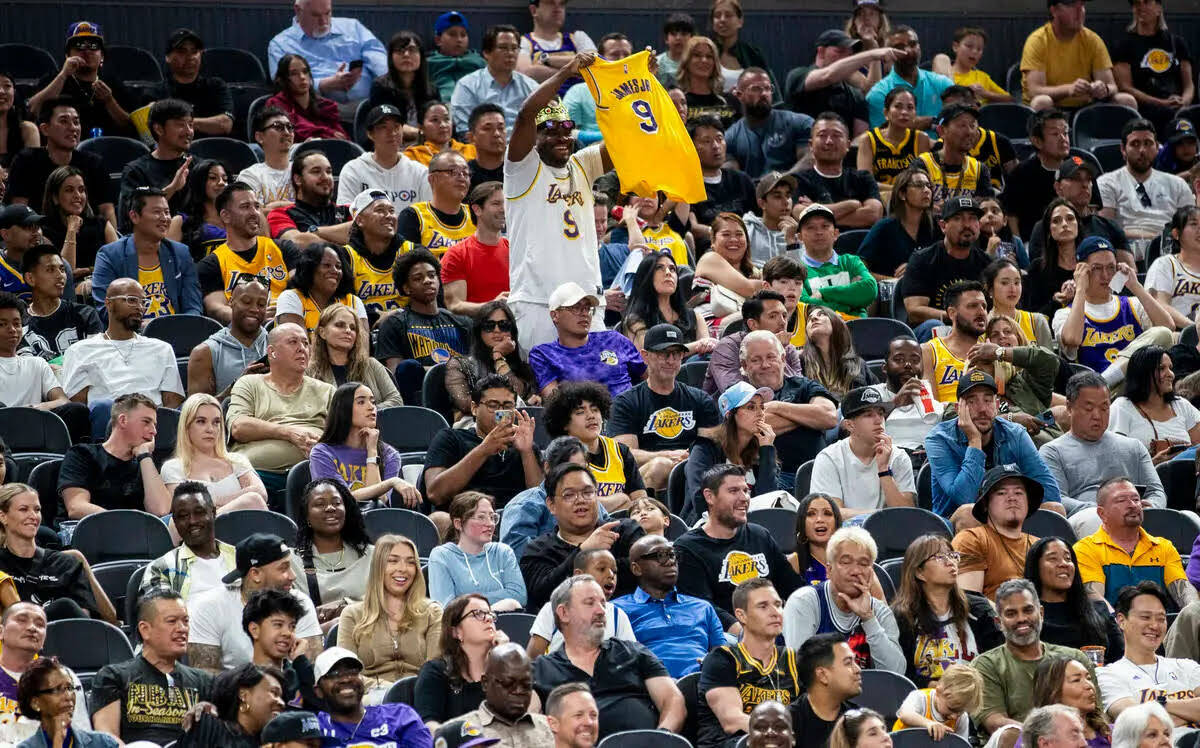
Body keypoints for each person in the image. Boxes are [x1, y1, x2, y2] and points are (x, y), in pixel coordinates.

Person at [505, 52, 616, 352]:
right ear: (535, 136)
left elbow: (622, 141)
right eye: (549, 129)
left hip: (587, 301)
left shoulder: (582, 165)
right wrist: (567, 71)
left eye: (566, 128)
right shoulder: (521, 169)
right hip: (538, 301)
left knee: (594, 387)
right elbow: (526, 115)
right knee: (544, 391)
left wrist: (636, 88)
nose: (560, 136)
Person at [531, 574, 684, 740]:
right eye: (590, 603)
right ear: (564, 613)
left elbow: (673, 701)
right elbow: (527, 722)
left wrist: (660, 739)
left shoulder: (633, 652)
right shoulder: (541, 670)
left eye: (603, 603)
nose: (601, 611)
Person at [674, 460, 801, 630]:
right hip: (727, 638)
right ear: (709, 496)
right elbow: (704, 608)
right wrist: (748, 635)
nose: (744, 498)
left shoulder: (759, 535)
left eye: (746, 490)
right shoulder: (688, 547)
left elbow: (792, 586)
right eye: (734, 491)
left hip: (774, 625)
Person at [925, 369, 1062, 525]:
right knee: (969, 513)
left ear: (997, 405)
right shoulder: (939, 439)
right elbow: (965, 497)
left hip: (1007, 517)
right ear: (958, 409)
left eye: (988, 400)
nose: (982, 409)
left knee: (1054, 509)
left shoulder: (1015, 434)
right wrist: (974, 441)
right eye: (972, 401)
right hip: (954, 521)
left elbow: (1050, 492)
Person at [971, 578, 1100, 739]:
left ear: (1041, 613)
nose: (1021, 619)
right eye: (1011, 613)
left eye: (1028, 610)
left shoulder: (1074, 658)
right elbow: (995, 723)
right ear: (998, 622)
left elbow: (1097, 717)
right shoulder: (986, 665)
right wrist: (1051, 739)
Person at [1039, 373, 1166, 536]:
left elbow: (1156, 491)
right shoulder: (1052, 452)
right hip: (1087, 518)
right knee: (1095, 519)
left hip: (1135, 516)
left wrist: (1152, 506)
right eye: (1089, 408)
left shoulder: (1133, 447)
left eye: (1104, 408)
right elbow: (1057, 499)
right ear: (1069, 408)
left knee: (1188, 518)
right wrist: (1106, 511)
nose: (1097, 416)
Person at [90, 589, 213, 745]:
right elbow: (106, 738)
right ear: (145, 630)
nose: (182, 628)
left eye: (186, 621)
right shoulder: (113, 677)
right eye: (172, 621)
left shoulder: (204, 682)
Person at [60, 277, 184, 432]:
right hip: (107, 426)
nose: (139, 307)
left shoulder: (162, 349)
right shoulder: (80, 350)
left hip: (154, 426)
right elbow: (78, 406)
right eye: (131, 300)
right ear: (109, 303)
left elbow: (172, 403)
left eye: (143, 302)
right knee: (102, 406)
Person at [186, 533, 323, 672]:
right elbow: (205, 675)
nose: (293, 576)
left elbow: (315, 672)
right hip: (233, 691)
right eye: (283, 568)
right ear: (255, 574)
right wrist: (257, 687)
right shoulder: (210, 607)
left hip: (291, 689)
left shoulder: (300, 602)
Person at [608, 322, 720, 489]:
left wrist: (691, 460)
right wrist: (667, 456)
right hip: (644, 476)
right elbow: (623, 454)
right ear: (645, 356)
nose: (671, 361)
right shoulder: (626, 402)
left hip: (693, 471)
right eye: (663, 354)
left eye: (676, 354)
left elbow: (713, 446)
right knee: (660, 466)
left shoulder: (700, 399)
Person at [518, 461, 644, 610]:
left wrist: (587, 570)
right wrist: (583, 551)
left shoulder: (624, 530)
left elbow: (646, 568)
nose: (580, 500)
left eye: (587, 492)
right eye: (569, 495)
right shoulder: (538, 550)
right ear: (551, 505)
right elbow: (543, 594)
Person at [782, 526, 904, 673]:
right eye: (846, 562)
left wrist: (868, 619)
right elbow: (801, 670)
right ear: (829, 570)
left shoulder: (879, 611)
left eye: (864, 564)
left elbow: (896, 673)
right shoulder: (804, 602)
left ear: (871, 573)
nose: (855, 571)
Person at [226, 322, 334, 487]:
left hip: (315, 476)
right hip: (257, 475)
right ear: (272, 352)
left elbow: (344, 437)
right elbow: (239, 427)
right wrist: (288, 433)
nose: (302, 348)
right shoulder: (249, 384)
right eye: (293, 342)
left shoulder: (327, 391)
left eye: (305, 343)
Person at [697, 578, 800, 748]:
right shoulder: (722, 659)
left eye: (778, 604)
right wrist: (782, 735)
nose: (775, 612)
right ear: (741, 615)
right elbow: (732, 720)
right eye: (763, 606)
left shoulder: (793, 660)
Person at [1056, 235, 1174, 376]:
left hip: (1135, 385)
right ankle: (1105, 383)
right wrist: (1080, 287)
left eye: (1111, 267)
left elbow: (1168, 326)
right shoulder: (1066, 313)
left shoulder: (1132, 304)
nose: (1106, 275)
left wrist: (1135, 286)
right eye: (1097, 268)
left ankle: (1107, 380)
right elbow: (1072, 339)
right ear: (1082, 271)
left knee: (1163, 333)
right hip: (1094, 391)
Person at [335, 534, 442, 689]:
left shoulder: (432, 613)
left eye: (411, 563)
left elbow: (435, 671)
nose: (403, 569)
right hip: (370, 698)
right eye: (393, 561)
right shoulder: (352, 615)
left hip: (418, 697)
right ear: (378, 567)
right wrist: (389, 690)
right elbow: (346, 674)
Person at [612, 534, 724, 679]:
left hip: (704, 683)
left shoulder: (703, 607)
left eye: (673, 555)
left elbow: (721, 654)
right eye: (660, 555)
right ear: (636, 568)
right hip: (650, 686)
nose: (670, 561)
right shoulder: (617, 610)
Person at [424, 374, 542, 512]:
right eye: (493, 405)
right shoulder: (451, 438)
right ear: (474, 408)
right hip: (465, 519)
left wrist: (526, 451)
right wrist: (484, 449)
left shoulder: (523, 444)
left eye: (508, 406)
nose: (500, 412)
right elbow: (435, 494)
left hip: (515, 518)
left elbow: (540, 499)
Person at [1097, 581, 1200, 738]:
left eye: (1161, 618)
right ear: (1121, 620)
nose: (1154, 625)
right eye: (1146, 617)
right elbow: (1135, 721)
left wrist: (1161, 703)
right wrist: (1190, 711)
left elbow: (1145, 717)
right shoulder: (1108, 674)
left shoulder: (1187, 666)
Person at [1074, 477, 1195, 610]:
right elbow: (1095, 600)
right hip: (1111, 627)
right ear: (1102, 513)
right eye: (1121, 500)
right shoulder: (1086, 549)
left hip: (1162, 626)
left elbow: (1185, 593)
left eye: (1136, 499)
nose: (1132, 505)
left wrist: (1193, 613)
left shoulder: (1163, 547)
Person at [93, 185, 203, 322]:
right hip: (131, 337)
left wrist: (177, 328)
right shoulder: (110, 256)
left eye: (167, 212)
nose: (165, 218)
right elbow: (105, 309)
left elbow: (193, 307)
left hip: (175, 335)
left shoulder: (181, 253)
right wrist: (144, 327)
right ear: (134, 216)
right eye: (157, 212)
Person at [57, 391, 170, 520]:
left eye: (154, 425)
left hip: (132, 536)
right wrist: (120, 521)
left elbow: (161, 511)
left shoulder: (145, 464)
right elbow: (76, 507)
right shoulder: (82, 454)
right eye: (146, 422)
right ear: (123, 420)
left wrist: (144, 456)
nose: (153, 431)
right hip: (87, 533)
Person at [0, 484, 105, 621]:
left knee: (65, 606)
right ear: (3, 517)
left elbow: (83, 620)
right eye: (23, 509)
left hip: (64, 637)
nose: (33, 516)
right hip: (12, 639)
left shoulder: (66, 564)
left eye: (37, 510)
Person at [199, 183, 298, 323]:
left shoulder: (284, 249)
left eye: (257, 206)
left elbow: (300, 288)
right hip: (244, 333)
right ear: (226, 216)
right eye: (245, 207)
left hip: (288, 324)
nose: (254, 213)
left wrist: (285, 310)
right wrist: (253, 316)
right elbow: (216, 308)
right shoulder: (212, 264)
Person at [529, 281, 645, 398]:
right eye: (576, 308)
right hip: (584, 413)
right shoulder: (544, 354)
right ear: (555, 315)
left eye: (588, 308)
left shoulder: (614, 340)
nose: (585, 313)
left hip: (631, 412)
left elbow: (651, 379)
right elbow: (555, 403)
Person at [810, 386, 914, 516]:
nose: (878, 421)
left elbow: (907, 515)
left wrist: (884, 470)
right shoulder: (829, 458)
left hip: (890, 533)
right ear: (849, 425)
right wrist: (882, 516)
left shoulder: (898, 457)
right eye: (868, 415)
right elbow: (832, 515)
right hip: (845, 535)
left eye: (881, 413)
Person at [0, 291, 89, 444]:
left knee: (77, 410)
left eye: (17, 324)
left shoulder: (37, 363)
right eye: (2, 324)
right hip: (2, 431)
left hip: (35, 427)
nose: (12, 329)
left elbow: (62, 401)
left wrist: (38, 407)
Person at [543, 381, 647, 511]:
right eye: (580, 412)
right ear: (564, 422)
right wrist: (620, 500)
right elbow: (567, 505)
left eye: (595, 410)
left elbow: (641, 502)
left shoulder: (620, 451)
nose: (591, 416)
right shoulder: (561, 455)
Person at [7, 99, 112, 227]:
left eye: (76, 122)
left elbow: (107, 210)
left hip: (86, 236)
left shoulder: (93, 163)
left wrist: (113, 243)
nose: (73, 128)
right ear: (45, 129)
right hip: (39, 236)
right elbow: (19, 211)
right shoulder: (26, 161)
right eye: (64, 121)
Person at [161, 395, 269, 517]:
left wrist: (215, 502)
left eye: (216, 422)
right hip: (201, 531)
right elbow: (185, 510)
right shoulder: (173, 467)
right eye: (201, 421)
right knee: (251, 500)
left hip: (245, 529)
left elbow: (261, 493)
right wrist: (241, 501)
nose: (210, 429)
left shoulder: (236, 460)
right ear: (186, 426)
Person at [1020, 0, 1136, 111]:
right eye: (1071, 5)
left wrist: (1103, 89)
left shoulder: (1092, 39)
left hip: (1086, 107)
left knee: (1126, 100)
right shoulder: (1038, 41)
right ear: (1054, 10)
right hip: (1052, 108)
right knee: (1042, 101)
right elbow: (1034, 91)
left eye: (1082, 4)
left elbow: (1112, 86)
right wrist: (1069, 89)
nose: (1079, 10)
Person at [310, 382, 414, 506]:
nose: (371, 407)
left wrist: (372, 451)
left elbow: (379, 502)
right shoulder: (323, 453)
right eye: (361, 402)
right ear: (343, 409)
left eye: (373, 402)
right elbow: (340, 500)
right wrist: (391, 482)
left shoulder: (389, 455)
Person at [1023, 536, 1123, 664]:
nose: (1064, 564)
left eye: (1068, 558)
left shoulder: (1098, 610)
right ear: (1035, 567)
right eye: (1053, 558)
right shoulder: (1027, 617)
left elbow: (1120, 659)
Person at [0, 603, 90, 745]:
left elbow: (81, 736)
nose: (32, 628)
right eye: (22, 620)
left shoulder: (63, 677)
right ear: (1, 631)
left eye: (40, 624)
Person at [1098, 119, 1196, 247]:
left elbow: (1192, 227)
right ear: (1123, 149)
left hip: (1172, 251)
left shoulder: (1177, 184)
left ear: (1157, 147)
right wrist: (1155, 237)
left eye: (1148, 143)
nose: (1142, 150)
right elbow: (1106, 230)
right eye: (1135, 144)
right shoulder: (1107, 182)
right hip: (1125, 251)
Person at [266, 0, 386, 104]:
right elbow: (283, 85)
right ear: (298, 11)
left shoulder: (352, 27)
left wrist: (388, 81)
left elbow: (379, 58)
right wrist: (323, 85)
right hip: (317, 110)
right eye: (315, 15)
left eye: (327, 13)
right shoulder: (280, 45)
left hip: (369, 104)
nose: (324, 22)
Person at [1028, 157, 1130, 277]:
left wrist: (1107, 289)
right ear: (1058, 187)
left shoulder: (1109, 227)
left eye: (1088, 179)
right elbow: (1041, 273)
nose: (1085, 184)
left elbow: (1129, 273)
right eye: (1076, 178)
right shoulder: (1044, 227)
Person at [28, 22, 134, 138]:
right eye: (79, 46)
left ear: (102, 56)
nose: (86, 51)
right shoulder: (54, 79)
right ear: (67, 55)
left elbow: (131, 127)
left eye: (93, 46)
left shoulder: (112, 83)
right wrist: (63, 75)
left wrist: (109, 101)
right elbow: (32, 111)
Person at [951, 464, 1042, 600]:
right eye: (1001, 493)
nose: (1012, 498)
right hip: (993, 619)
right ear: (985, 505)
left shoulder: (1040, 546)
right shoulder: (971, 539)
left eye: (1018, 492)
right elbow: (970, 603)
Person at [901, 197, 991, 333]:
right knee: (933, 325)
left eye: (973, 218)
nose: (967, 224)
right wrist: (958, 317)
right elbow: (914, 311)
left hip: (976, 330)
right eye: (958, 218)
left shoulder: (988, 263)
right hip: (935, 333)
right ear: (943, 226)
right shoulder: (923, 259)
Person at [289, 479, 374, 622]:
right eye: (319, 504)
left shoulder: (372, 555)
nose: (330, 508)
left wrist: (347, 605)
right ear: (307, 516)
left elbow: (390, 603)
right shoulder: (292, 561)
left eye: (337, 503)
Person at [527, 546, 635, 657]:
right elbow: (533, 659)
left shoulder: (618, 615)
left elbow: (632, 658)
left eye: (615, 571)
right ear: (579, 575)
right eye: (601, 569)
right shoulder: (552, 609)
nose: (611, 575)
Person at [439, 642, 554, 745]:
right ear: (485, 683)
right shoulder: (457, 734)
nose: (518, 691)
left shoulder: (551, 730)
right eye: (508, 683)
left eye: (526, 685)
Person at [313, 646, 432, 745]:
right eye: (334, 674)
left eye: (352, 671)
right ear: (318, 690)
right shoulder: (315, 729)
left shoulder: (400, 716)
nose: (345, 679)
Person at [427, 493, 526, 610]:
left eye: (492, 517)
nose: (490, 524)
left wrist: (462, 599)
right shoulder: (442, 556)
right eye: (481, 517)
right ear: (458, 523)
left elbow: (519, 596)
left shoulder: (503, 552)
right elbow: (446, 606)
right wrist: (500, 599)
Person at [140, 483, 238, 601]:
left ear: (213, 512)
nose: (192, 521)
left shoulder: (241, 559)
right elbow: (161, 615)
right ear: (175, 522)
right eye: (183, 516)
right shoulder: (161, 568)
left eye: (199, 512)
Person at [414, 593, 500, 727]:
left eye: (490, 614)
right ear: (456, 631)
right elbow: (428, 726)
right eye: (478, 613)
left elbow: (531, 715)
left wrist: (508, 659)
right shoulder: (436, 671)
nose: (488, 619)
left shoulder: (504, 671)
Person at [443, 300, 538, 420]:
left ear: (512, 332)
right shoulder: (458, 364)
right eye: (489, 325)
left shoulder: (521, 365)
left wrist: (499, 359)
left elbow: (523, 395)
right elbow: (466, 405)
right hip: (473, 431)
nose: (497, 330)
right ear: (479, 331)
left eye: (503, 325)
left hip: (518, 427)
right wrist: (498, 355)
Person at [786, 30, 894, 134]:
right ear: (821, 52)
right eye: (840, 52)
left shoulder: (854, 95)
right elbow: (827, 76)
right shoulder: (798, 76)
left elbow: (861, 135)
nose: (846, 59)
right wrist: (872, 54)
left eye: (849, 55)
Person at [1112, 0, 1193, 132]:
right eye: (1137, 4)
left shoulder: (1177, 43)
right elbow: (1125, 87)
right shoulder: (1123, 45)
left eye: (1147, 2)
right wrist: (1160, 102)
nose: (1141, 7)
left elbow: (1189, 85)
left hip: (1178, 107)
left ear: (1159, 9)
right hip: (1144, 109)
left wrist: (1184, 101)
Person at [703, 290, 804, 394]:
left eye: (784, 316)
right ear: (753, 325)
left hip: (781, 407)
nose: (783, 322)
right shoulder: (727, 347)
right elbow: (735, 393)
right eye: (773, 316)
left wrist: (778, 353)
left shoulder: (787, 348)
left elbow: (800, 388)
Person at [793, 113, 884, 230]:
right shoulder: (798, 180)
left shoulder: (862, 178)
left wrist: (816, 211)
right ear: (811, 145)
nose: (829, 141)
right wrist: (852, 204)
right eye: (822, 135)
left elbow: (873, 214)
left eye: (836, 135)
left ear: (848, 145)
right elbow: (800, 214)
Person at [1109, 345, 1200, 461]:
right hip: (1144, 477)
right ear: (1142, 373)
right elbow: (1116, 461)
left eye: (1170, 368)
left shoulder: (1181, 405)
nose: (1170, 374)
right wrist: (1153, 463)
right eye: (1161, 368)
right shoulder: (1122, 407)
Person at [115, 100, 193, 233]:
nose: (188, 131)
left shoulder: (200, 166)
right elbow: (131, 218)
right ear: (159, 129)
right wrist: (172, 188)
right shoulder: (136, 171)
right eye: (180, 125)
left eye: (190, 125)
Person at [335, 105, 430, 214]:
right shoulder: (353, 171)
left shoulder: (420, 172)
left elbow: (429, 218)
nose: (392, 133)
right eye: (383, 127)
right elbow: (345, 217)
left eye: (396, 126)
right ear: (370, 134)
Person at [186, 277, 269, 398]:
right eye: (246, 302)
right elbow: (197, 412)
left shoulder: (278, 344)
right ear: (231, 302)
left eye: (261, 304)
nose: (254, 309)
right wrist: (238, 387)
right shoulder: (205, 353)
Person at [724, 68, 812, 179]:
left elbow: (810, 159)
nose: (764, 94)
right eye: (756, 89)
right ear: (739, 95)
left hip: (792, 191)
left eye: (768, 88)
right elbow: (732, 176)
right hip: (752, 193)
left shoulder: (800, 123)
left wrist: (777, 183)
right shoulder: (730, 137)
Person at [174, 663, 286, 748]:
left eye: (281, 697)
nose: (282, 703)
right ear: (244, 695)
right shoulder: (210, 726)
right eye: (274, 693)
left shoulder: (274, 743)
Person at [450, 25, 536, 134]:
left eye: (514, 48)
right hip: (481, 148)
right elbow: (465, 130)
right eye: (503, 48)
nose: (510, 53)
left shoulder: (531, 87)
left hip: (524, 148)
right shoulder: (467, 86)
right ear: (486, 53)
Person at [865, 27, 953, 134]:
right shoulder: (878, 93)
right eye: (899, 47)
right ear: (888, 54)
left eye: (912, 44)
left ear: (919, 48)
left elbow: (956, 120)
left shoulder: (943, 84)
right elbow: (883, 134)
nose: (908, 50)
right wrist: (933, 121)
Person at [37, 166, 116, 285]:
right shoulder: (44, 230)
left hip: (101, 285)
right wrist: (72, 230)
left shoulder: (102, 225)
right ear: (55, 198)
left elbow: (119, 264)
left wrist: (90, 270)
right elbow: (63, 275)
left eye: (81, 190)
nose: (77, 195)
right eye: (69, 190)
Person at [307, 307, 401, 406]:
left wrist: (365, 412)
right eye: (340, 325)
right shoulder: (309, 372)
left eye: (353, 328)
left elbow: (396, 401)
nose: (348, 331)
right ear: (322, 332)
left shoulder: (372, 365)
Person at [620, 251, 711, 353]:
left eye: (672, 269)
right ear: (646, 276)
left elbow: (707, 350)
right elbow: (649, 357)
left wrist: (707, 344)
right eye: (659, 268)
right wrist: (698, 345)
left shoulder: (696, 317)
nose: (668, 272)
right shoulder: (635, 320)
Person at [1004, 110, 1075, 241]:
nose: (1063, 139)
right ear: (1037, 141)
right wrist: (1019, 248)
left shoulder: (1080, 168)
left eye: (1065, 133)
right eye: (1055, 134)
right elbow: (1011, 216)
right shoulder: (1020, 174)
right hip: (1033, 244)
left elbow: (1092, 208)